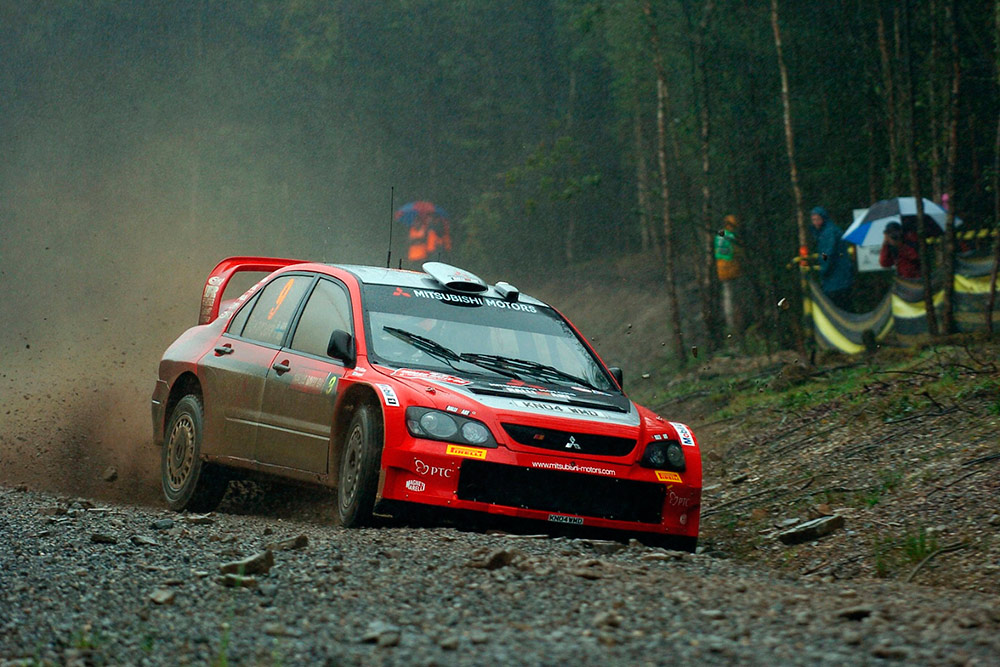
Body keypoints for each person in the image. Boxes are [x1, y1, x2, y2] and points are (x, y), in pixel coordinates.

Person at [809, 206, 854, 310]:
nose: (815, 223)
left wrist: (823, 269)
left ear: (823, 218)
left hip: (836, 280)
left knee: (838, 308)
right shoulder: (829, 230)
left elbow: (826, 254)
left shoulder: (828, 233)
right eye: (813, 220)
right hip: (840, 277)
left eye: (817, 219)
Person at [714, 214, 744, 332]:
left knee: (727, 297)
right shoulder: (731, 236)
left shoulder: (719, 236)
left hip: (721, 269)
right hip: (733, 269)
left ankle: (730, 324)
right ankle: (736, 324)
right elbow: (738, 252)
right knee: (736, 298)